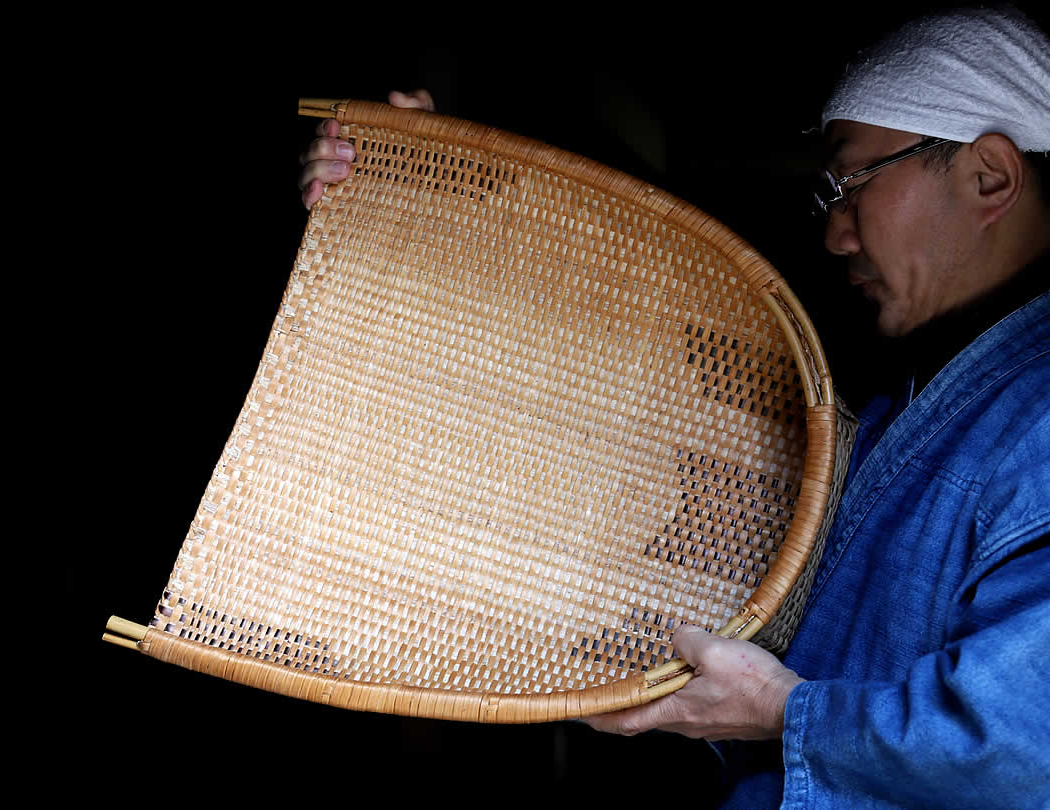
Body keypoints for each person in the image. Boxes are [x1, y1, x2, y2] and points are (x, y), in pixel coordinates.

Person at [298, 7, 1049, 806]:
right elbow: (632, 400)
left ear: (989, 177)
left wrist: (774, 712)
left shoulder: (1033, 414)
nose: (835, 233)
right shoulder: (921, 397)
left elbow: (1024, 744)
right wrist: (450, 194)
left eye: (847, 180)